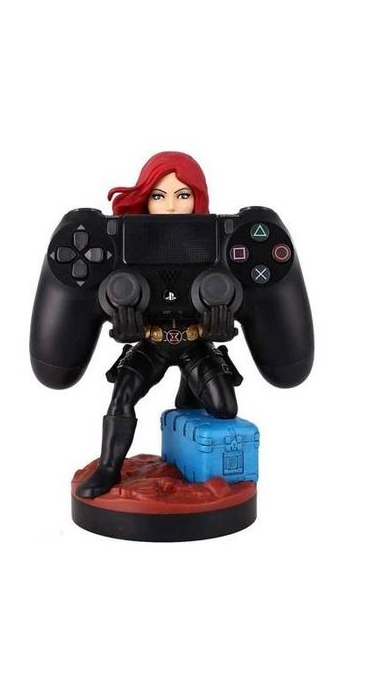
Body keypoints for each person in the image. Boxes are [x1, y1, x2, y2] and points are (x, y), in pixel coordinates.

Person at [76, 152, 240, 498]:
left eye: (183, 195)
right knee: (122, 395)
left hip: (195, 341)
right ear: (145, 198)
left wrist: (221, 326)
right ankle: (109, 467)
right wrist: (124, 323)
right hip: (152, 342)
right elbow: (110, 292)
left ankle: (188, 392)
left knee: (224, 409)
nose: (170, 206)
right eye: (159, 195)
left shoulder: (214, 242)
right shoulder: (127, 242)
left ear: (198, 198)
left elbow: (230, 291)